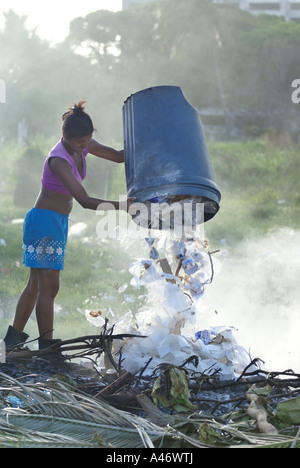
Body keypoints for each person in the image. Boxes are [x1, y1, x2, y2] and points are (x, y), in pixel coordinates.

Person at [3, 100, 133, 351]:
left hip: (56, 222)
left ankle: (12, 341)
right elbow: (84, 200)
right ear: (64, 135)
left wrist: (147, 142)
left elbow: (118, 157)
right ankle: (47, 347)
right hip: (43, 223)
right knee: (49, 287)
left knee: (36, 285)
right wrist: (122, 206)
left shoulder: (82, 144)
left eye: (87, 141)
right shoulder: (58, 161)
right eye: (79, 143)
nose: (84, 147)